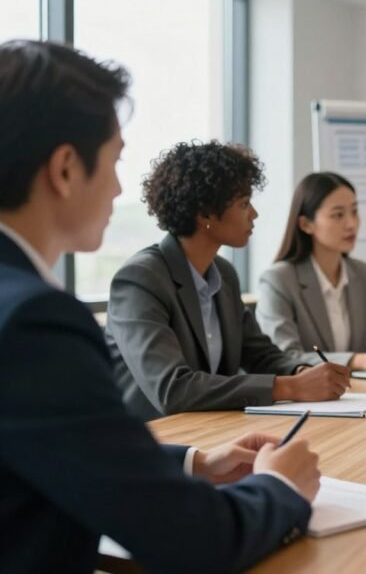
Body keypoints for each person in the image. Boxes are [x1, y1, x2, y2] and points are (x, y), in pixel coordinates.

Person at [0, 39, 320, 573]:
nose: (120, 185)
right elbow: (195, 540)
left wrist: (193, 460)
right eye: (115, 160)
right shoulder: (34, 323)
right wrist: (281, 488)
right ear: (64, 169)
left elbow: (49, 445)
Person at [105, 141, 350, 421]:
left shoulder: (223, 274)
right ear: (205, 214)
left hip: (212, 434)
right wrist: (291, 387)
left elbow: (260, 354)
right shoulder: (140, 280)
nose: (254, 214)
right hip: (152, 444)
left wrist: (300, 372)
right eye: (244, 203)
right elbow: (172, 389)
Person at [257, 172, 366, 371]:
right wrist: (357, 360)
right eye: (338, 215)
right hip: (306, 398)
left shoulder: (363, 274)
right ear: (306, 224)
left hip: (358, 394)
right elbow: (285, 357)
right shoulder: (279, 280)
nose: (351, 224)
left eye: (354, 212)